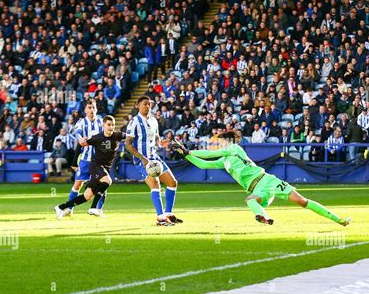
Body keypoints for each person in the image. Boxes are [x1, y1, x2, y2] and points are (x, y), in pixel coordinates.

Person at [173, 131, 350, 226]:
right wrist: (185, 155)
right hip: (257, 189)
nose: (220, 144)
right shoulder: (224, 161)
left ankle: (338, 219)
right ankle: (264, 218)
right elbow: (204, 164)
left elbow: (212, 153)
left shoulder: (235, 149)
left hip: (268, 180)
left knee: (302, 201)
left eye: (222, 141)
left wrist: (189, 150)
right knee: (250, 200)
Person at [125, 96, 183, 226]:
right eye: (145, 104)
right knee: (155, 184)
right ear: (137, 106)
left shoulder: (154, 120)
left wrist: (165, 143)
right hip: (142, 160)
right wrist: (143, 159)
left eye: (149, 104)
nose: (148, 106)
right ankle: (160, 217)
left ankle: (168, 214)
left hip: (154, 158)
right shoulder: (134, 122)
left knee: (172, 183)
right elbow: (128, 144)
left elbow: (157, 139)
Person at [55, 116, 125, 219]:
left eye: (113, 125)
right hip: (96, 166)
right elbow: (81, 144)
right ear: (103, 125)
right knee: (107, 181)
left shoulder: (117, 136)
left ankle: (60, 207)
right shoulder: (97, 137)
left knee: (87, 196)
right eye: (108, 125)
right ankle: (94, 208)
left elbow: (131, 136)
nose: (111, 127)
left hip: (105, 168)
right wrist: (74, 163)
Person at [66, 99, 105, 217]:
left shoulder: (101, 122)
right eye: (89, 108)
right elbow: (78, 134)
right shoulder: (82, 122)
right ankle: (69, 208)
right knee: (78, 185)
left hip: (99, 160)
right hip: (85, 160)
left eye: (93, 107)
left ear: (96, 109)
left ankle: (98, 210)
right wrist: (80, 139)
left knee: (103, 184)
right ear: (85, 110)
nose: (92, 110)